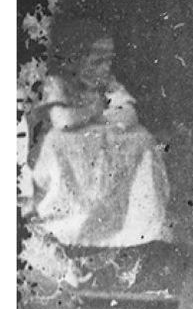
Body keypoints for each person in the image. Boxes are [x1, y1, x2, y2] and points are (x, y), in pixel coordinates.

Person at [27, 15, 171, 249]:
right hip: (67, 142)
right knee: (57, 142)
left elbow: (129, 113)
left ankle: (133, 223)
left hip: (97, 140)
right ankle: (70, 219)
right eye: (96, 62)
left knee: (142, 139)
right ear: (74, 60)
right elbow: (63, 121)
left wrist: (105, 117)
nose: (104, 69)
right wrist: (96, 110)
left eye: (108, 61)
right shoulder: (58, 83)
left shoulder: (109, 83)